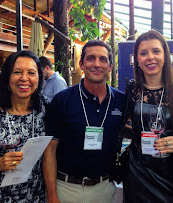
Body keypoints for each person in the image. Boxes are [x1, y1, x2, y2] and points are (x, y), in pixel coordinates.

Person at [43, 40, 125, 203]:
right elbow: (49, 151)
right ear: (81, 64)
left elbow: (127, 129)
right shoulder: (62, 100)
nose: (96, 64)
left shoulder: (121, 101)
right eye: (91, 58)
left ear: (109, 66)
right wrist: (52, 195)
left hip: (104, 189)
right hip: (66, 189)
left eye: (103, 59)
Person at [123, 30, 173, 202]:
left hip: (172, 175)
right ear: (137, 59)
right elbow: (126, 128)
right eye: (143, 53)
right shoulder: (132, 91)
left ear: (165, 56)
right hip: (137, 172)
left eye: (156, 51)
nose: (150, 57)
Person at [0, 51, 46, 202]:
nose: (24, 78)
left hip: (35, 196)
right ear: (7, 77)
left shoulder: (45, 109)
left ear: (38, 78)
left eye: (31, 73)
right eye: (17, 72)